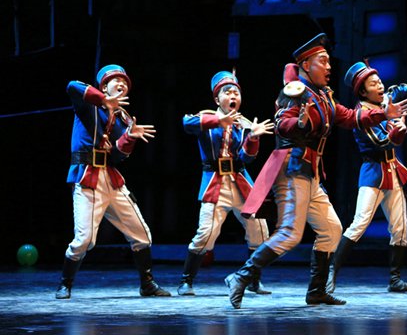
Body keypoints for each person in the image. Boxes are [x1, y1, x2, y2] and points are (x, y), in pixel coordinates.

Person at [224, 33, 407, 309]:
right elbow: (282, 124)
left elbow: (350, 117)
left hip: (310, 172)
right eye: (322, 61)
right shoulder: (295, 92)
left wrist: (383, 114)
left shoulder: (323, 96)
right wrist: (299, 124)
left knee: (331, 229)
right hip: (292, 168)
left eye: (328, 61)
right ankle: (241, 276)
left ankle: (317, 291)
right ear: (305, 65)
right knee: (290, 233)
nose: (328, 66)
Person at [56, 64, 170, 299]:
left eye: (125, 82)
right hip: (88, 177)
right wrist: (102, 100)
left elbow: (117, 156)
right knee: (85, 240)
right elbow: (72, 86)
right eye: (116, 80)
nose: (122, 84)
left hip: (111, 178)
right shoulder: (88, 105)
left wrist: (130, 137)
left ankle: (147, 284)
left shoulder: (123, 118)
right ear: (103, 86)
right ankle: (65, 283)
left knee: (142, 234)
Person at [326, 61, 407, 294]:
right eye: (374, 84)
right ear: (363, 92)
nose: (381, 86)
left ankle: (395, 279)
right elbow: (381, 142)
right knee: (359, 223)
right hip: (374, 172)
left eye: (379, 81)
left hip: (392, 171)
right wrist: (397, 132)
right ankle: (331, 272)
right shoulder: (361, 116)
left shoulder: (387, 100)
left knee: (400, 227)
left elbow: (402, 88)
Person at [177, 70, 274, 296]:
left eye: (236, 93)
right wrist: (219, 121)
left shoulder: (244, 123)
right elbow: (187, 123)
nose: (233, 96)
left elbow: (246, 158)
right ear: (217, 98)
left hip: (240, 182)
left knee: (260, 230)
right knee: (206, 233)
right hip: (215, 183)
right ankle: (186, 281)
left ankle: (253, 280)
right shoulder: (206, 117)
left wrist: (254, 137)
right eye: (228, 92)